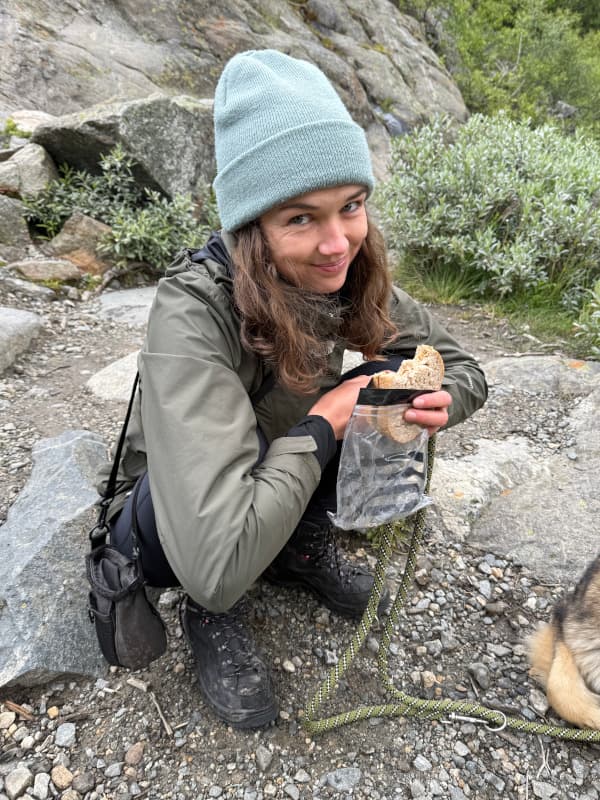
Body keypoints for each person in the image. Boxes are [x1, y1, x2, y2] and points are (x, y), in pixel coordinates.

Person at [97, 49, 487, 729]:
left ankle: (292, 550)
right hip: (183, 512)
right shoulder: (193, 308)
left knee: (381, 387)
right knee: (218, 555)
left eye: (352, 206)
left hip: (277, 460)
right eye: (301, 218)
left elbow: (465, 368)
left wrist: (441, 401)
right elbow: (214, 557)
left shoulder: (349, 274)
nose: (337, 242)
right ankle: (210, 611)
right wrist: (332, 414)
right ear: (253, 227)